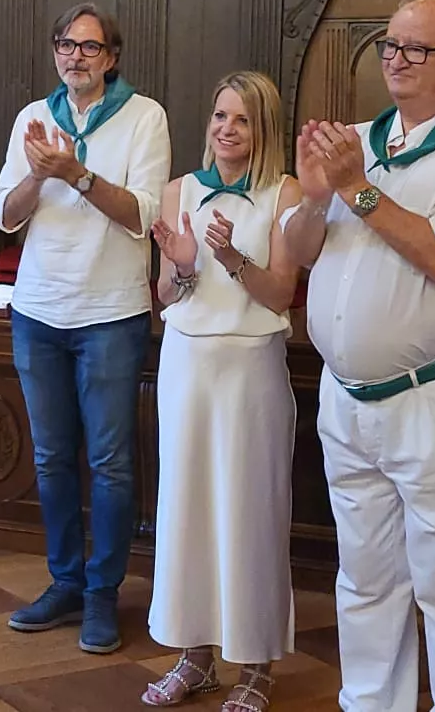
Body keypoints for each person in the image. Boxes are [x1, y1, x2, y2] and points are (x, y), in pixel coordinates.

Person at [282, 0, 435, 712]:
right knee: (364, 577)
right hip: (347, 394)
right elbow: (300, 253)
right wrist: (312, 196)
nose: (396, 58)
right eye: (390, 45)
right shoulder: (355, 137)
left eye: (417, 49)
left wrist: (355, 187)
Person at [0, 3, 169, 653]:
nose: (76, 57)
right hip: (38, 311)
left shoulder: (144, 117)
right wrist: (40, 175)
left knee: (112, 465)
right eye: (66, 45)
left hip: (111, 314)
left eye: (89, 48)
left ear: (112, 57)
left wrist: (80, 175)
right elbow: (8, 216)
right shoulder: (31, 120)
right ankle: (64, 581)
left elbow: (142, 216)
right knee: (51, 459)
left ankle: (103, 593)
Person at [143, 71, 301, 710]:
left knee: (249, 511)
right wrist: (182, 267)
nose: (226, 130)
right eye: (218, 116)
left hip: (249, 369)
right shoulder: (180, 190)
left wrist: (233, 259)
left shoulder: (284, 194)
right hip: (186, 364)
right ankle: (194, 654)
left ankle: (257, 666)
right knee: (185, 511)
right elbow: (163, 296)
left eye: (240, 120)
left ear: (262, 129)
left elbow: (282, 294)